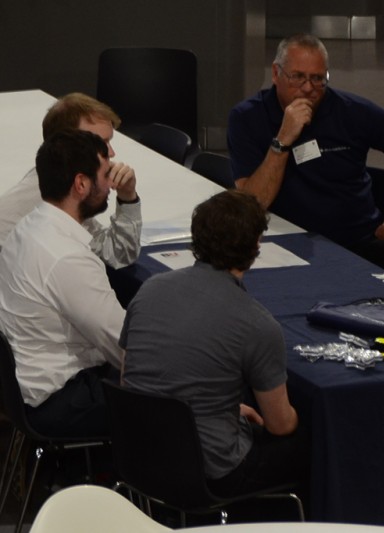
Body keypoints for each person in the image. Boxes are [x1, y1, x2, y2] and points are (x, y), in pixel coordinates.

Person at [120, 190, 308, 497]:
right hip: (210, 471)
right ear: (255, 246)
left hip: (138, 454)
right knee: (313, 443)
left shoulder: (151, 289)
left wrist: (224, 409)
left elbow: (132, 377)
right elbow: (280, 425)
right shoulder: (257, 324)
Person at [227, 33, 384, 288]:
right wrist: (283, 139)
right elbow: (253, 204)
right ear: (276, 74)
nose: (308, 88)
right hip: (285, 245)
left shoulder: (352, 111)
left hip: (357, 245)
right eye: (298, 76)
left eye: (318, 79)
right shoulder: (247, 117)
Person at [0, 130, 125, 437]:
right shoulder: (68, 258)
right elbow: (126, 348)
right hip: (59, 399)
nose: (110, 184)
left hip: (18, 387)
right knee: (176, 400)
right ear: (81, 184)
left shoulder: (27, 226)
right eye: (106, 174)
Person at [0, 92, 141, 267]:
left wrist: (127, 195)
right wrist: (128, 200)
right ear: (69, 143)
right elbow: (118, 254)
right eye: (100, 143)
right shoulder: (58, 196)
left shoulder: (51, 178)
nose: (111, 153)